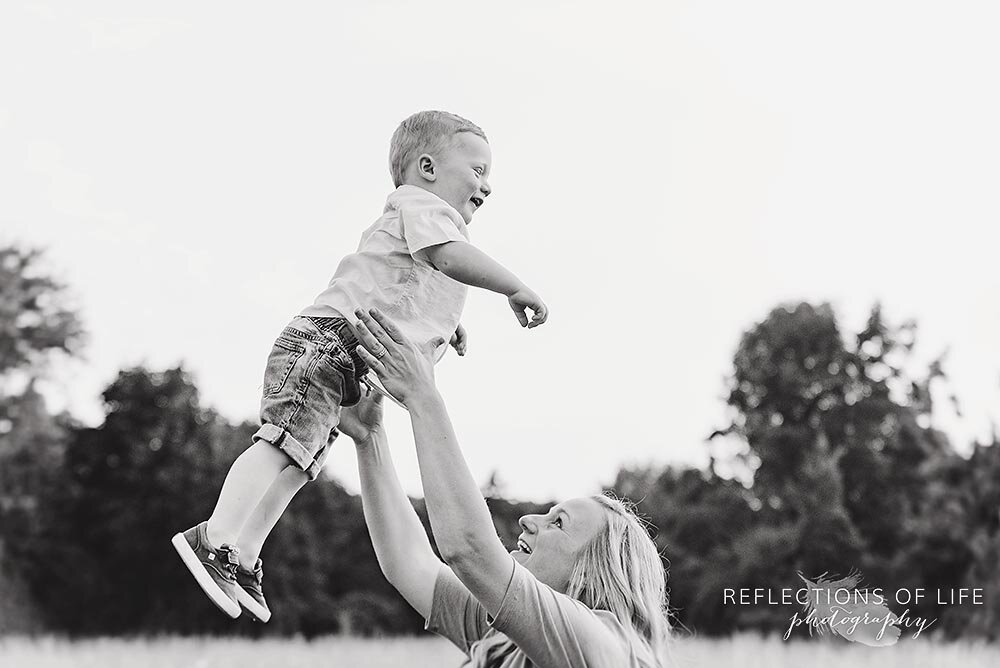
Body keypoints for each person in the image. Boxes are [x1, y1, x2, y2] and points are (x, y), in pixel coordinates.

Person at [171, 111, 549, 622]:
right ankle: (213, 537)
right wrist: (514, 286)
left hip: (343, 359)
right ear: (428, 167)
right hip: (326, 342)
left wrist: (441, 326)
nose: (488, 185)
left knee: (300, 463)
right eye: (478, 170)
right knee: (280, 444)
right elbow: (449, 259)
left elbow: (412, 288)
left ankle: (242, 556)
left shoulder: (426, 226)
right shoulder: (423, 207)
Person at [340, 307, 671, 667]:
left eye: (558, 523)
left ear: (594, 574)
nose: (529, 520)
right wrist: (369, 439)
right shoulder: (508, 636)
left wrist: (422, 395)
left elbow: (469, 550)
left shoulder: (607, 647)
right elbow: (411, 563)